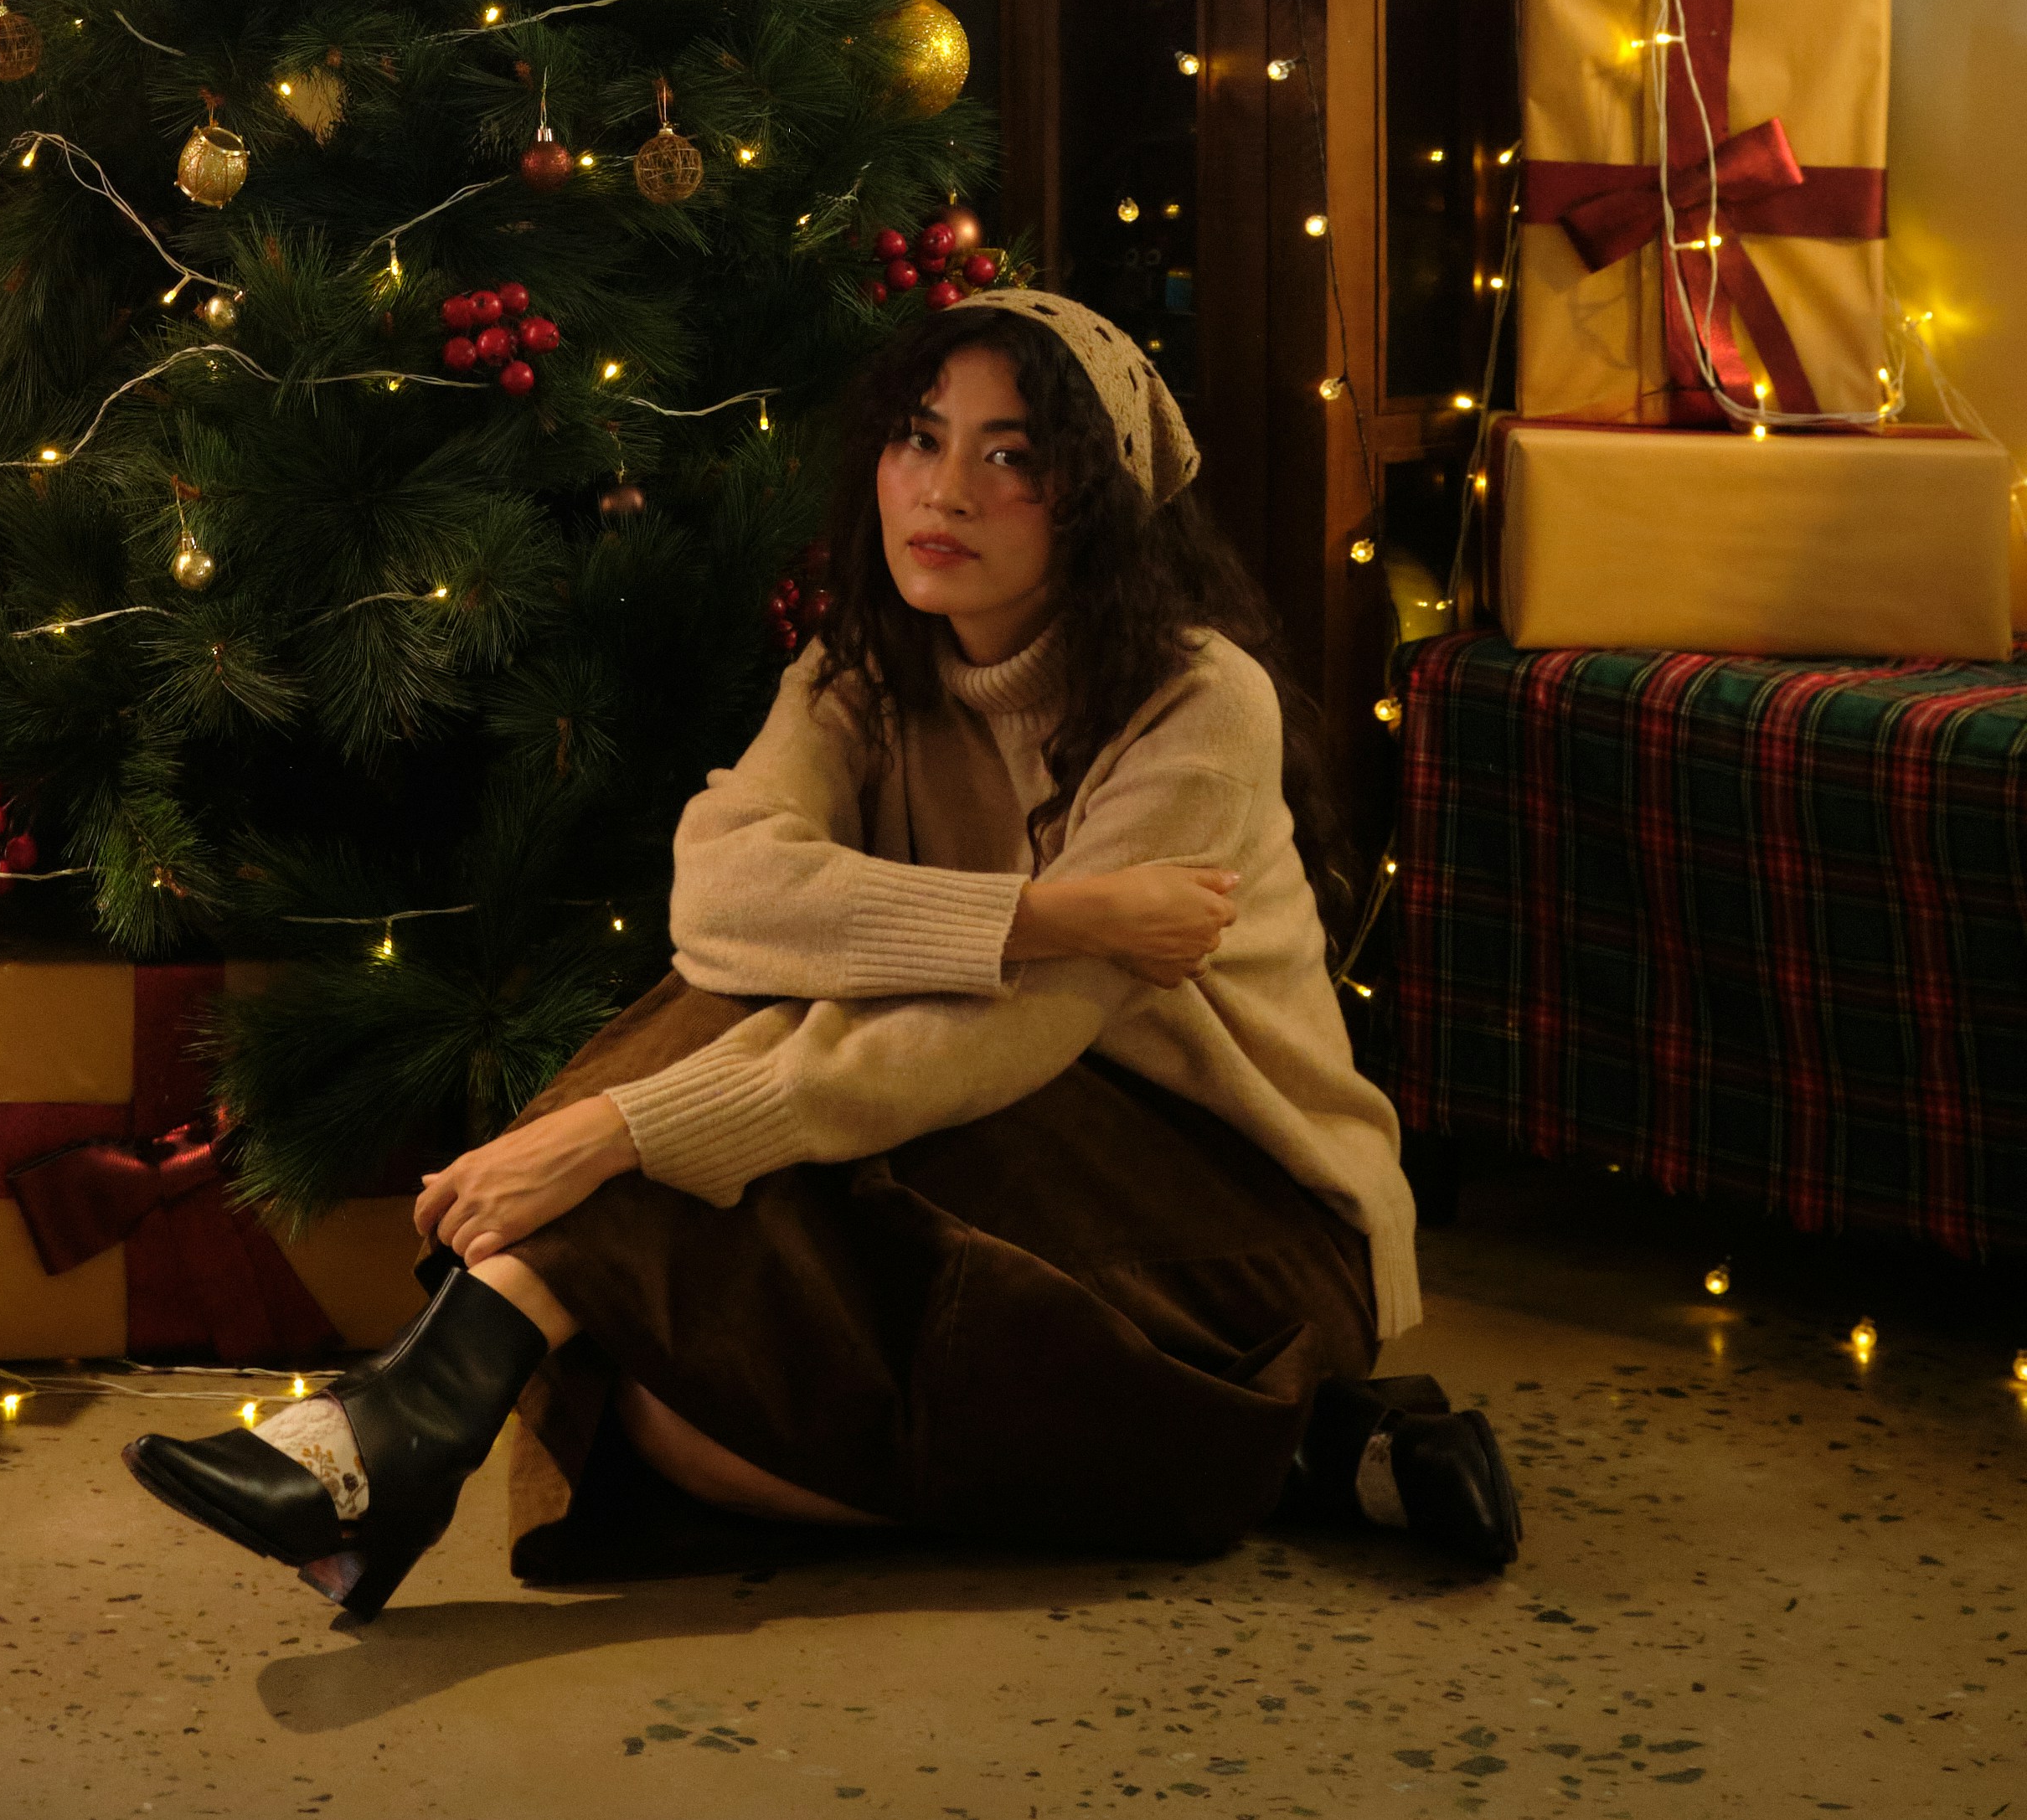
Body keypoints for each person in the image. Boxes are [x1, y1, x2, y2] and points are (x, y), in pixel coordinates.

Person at [122, 290, 1519, 1620]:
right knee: (670, 1406)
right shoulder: (864, 665)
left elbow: (1007, 1038)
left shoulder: (1197, 700)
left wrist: (613, 1130)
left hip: (1230, 1220)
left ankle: (408, 1422)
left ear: (1100, 503)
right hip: (972, 1163)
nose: (943, 490)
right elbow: (721, 898)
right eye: (920, 436)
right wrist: (1041, 913)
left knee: (688, 1283)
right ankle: (1279, 1461)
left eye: (1010, 457)